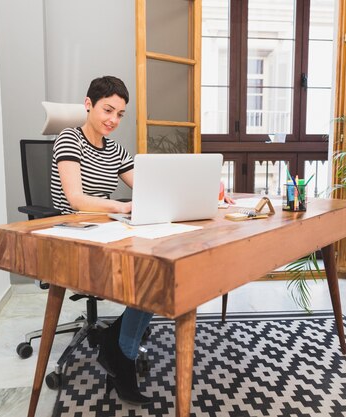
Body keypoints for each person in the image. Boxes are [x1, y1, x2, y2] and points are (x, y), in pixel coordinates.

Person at [50, 75, 234, 405]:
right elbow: (76, 199)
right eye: (108, 110)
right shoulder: (68, 140)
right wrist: (121, 206)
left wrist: (212, 192)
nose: (113, 120)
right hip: (72, 235)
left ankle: (118, 345)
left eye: (120, 114)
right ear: (88, 105)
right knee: (151, 270)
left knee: (161, 262)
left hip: (105, 228)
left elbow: (150, 185)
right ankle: (121, 350)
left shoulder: (114, 149)